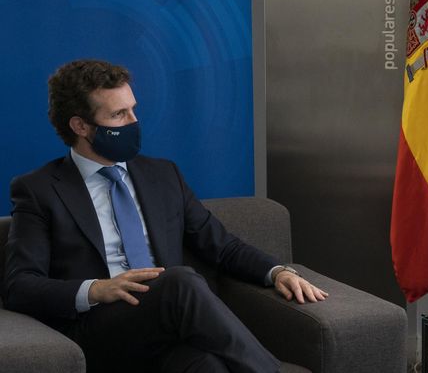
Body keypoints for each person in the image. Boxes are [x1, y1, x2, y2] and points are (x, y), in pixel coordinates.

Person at [4, 60, 328, 373]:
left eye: (133, 109)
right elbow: (20, 286)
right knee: (179, 280)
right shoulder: (39, 190)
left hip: (167, 331)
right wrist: (97, 289)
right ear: (80, 126)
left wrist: (277, 272)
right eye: (119, 114)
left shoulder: (162, 175)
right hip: (99, 331)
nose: (133, 121)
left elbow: (221, 245)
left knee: (208, 366)